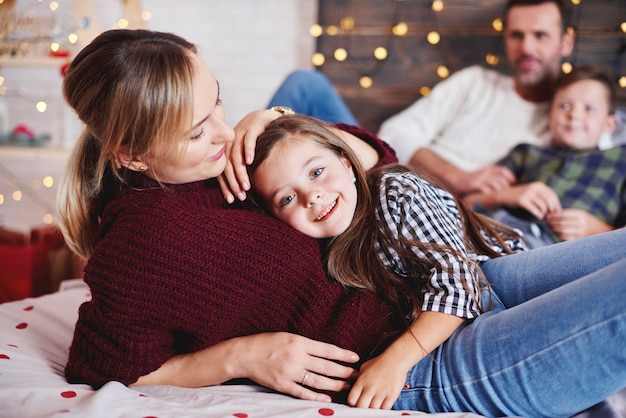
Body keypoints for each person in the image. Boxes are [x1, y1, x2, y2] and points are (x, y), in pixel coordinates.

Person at [57, 28, 408, 403]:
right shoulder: (147, 239)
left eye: (217, 102)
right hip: (389, 351)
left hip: (413, 289)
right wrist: (240, 357)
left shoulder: (211, 164)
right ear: (131, 156)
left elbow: (378, 160)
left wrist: (272, 120)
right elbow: (97, 366)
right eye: (196, 133)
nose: (225, 133)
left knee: (302, 86)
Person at [244, 114, 626, 416]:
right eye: (288, 198)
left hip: (490, 273)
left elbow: (461, 282)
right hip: (467, 317)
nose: (313, 196)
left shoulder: (394, 191)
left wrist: (395, 360)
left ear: (347, 161)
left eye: (316, 172)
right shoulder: (329, 247)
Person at [267, 0, 576, 196]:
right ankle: (240, 180)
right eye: (516, 35)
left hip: (419, 203)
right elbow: (393, 134)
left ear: (566, 42)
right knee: (305, 84)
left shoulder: (576, 122)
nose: (527, 48)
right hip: (382, 168)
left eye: (541, 35)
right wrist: (460, 176)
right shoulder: (477, 82)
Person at [465, 64, 626, 248]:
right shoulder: (526, 152)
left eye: (589, 109)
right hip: (497, 229)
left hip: (557, 250)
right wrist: (507, 195)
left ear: (609, 124)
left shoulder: (621, 162)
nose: (574, 115)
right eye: (565, 106)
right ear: (549, 116)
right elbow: (468, 203)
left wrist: (600, 231)